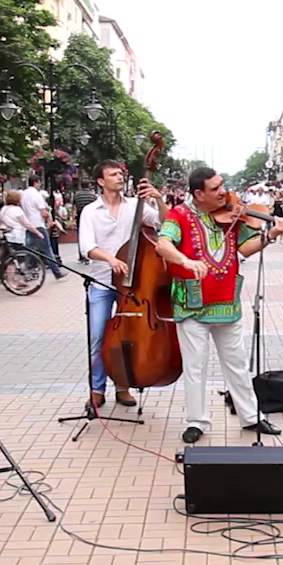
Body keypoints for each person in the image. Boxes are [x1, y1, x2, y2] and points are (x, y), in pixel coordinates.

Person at [154, 167, 283, 444]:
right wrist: (185, 261)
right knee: (195, 366)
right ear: (198, 194)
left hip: (226, 301)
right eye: (215, 188)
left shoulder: (232, 214)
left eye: (222, 185)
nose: (223, 192)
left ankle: (251, 416)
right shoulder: (179, 215)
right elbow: (162, 244)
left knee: (238, 363)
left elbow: (243, 249)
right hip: (192, 303)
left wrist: (272, 234)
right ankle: (196, 421)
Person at [78, 160, 167, 409]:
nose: (119, 177)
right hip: (102, 282)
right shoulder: (90, 212)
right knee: (97, 337)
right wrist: (110, 258)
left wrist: (158, 199)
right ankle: (97, 390)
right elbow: (87, 247)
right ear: (100, 181)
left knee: (128, 335)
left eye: (120, 173)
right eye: (113, 174)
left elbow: (165, 222)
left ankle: (122, 386)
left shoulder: (135, 206)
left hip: (134, 284)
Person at [20, 176, 64, 280]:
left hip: (29, 225)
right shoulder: (36, 195)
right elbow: (43, 212)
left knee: (30, 250)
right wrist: (48, 220)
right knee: (47, 249)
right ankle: (56, 272)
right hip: (38, 224)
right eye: (39, 183)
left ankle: (28, 272)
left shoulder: (23, 194)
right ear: (36, 182)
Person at [72, 181, 99, 264]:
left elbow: (74, 207)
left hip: (80, 216)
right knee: (92, 235)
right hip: (92, 216)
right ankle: (91, 253)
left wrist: (73, 217)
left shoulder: (77, 195)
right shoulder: (92, 195)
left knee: (81, 236)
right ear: (89, 185)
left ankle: (81, 256)